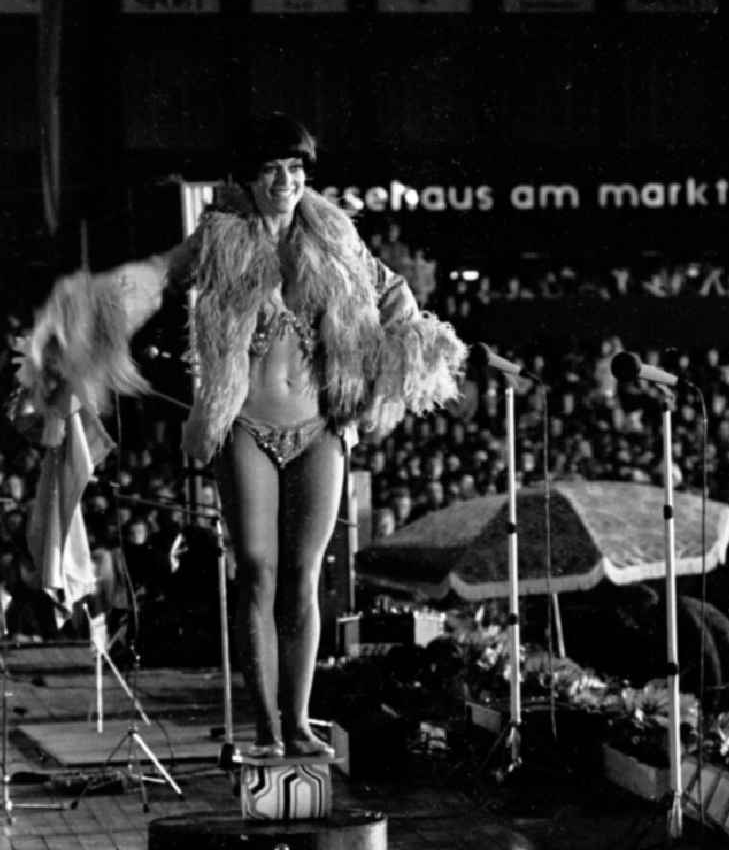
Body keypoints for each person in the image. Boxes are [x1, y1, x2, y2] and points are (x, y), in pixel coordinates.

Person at [15, 113, 467, 759]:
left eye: (295, 170)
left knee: (304, 576)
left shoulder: (335, 238)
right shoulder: (219, 238)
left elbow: (391, 296)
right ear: (248, 179)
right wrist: (86, 317)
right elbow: (156, 275)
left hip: (320, 426)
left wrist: (420, 347)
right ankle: (267, 727)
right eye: (272, 171)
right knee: (257, 571)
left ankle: (300, 719)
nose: (286, 181)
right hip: (243, 424)